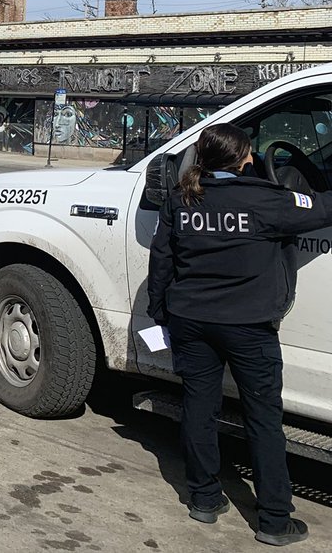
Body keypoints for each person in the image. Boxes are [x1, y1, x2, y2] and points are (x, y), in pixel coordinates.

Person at [148, 123, 332, 546]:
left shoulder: (181, 199)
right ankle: (273, 520)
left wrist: (162, 315)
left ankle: (205, 500)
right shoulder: (268, 200)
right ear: (245, 158)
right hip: (249, 328)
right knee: (264, 420)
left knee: (198, 408)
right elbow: (323, 207)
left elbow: (162, 262)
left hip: (190, 322)